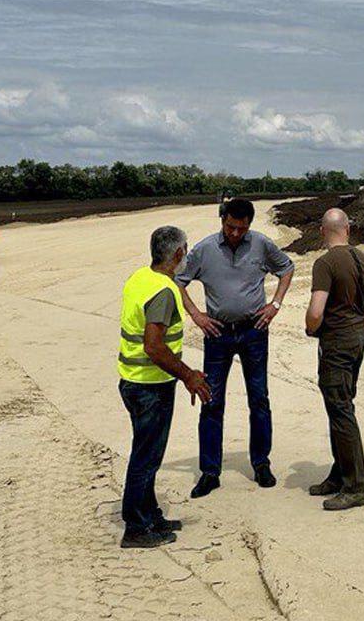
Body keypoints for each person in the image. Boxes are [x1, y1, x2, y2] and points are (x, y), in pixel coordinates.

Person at [177, 198, 295, 497]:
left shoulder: (261, 244)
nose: (235, 234)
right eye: (230, 227)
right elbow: (178, 282)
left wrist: (275, 305)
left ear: (249, 225)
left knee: (259, 399)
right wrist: (196, 315)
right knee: (211, 401)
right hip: (217, 334)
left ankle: (261, 463)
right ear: (222, 220)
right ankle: (209, 471)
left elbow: (286, 269)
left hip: (254, 330)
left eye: (241, 229)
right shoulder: (204, 249)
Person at [118, 225, 212, 549]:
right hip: (149, 387)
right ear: (178, 254)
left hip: (133, 381)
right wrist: (188, 375)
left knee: (149, 453)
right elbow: (154, 346)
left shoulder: (140, 278)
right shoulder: (163, 291)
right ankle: (135, 526)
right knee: (146, 457)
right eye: (185, 250)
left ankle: (151, 514)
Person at [304, 208, 364, 510]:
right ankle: (340, 472)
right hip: (357, 338)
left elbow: (316, 310)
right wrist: (363, 336)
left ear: (323, 232)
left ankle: (357, 486)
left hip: (336, 343)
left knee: (341, 411)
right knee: (342, 405)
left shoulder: (325, 263)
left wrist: (311, 328)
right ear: (348, 228)